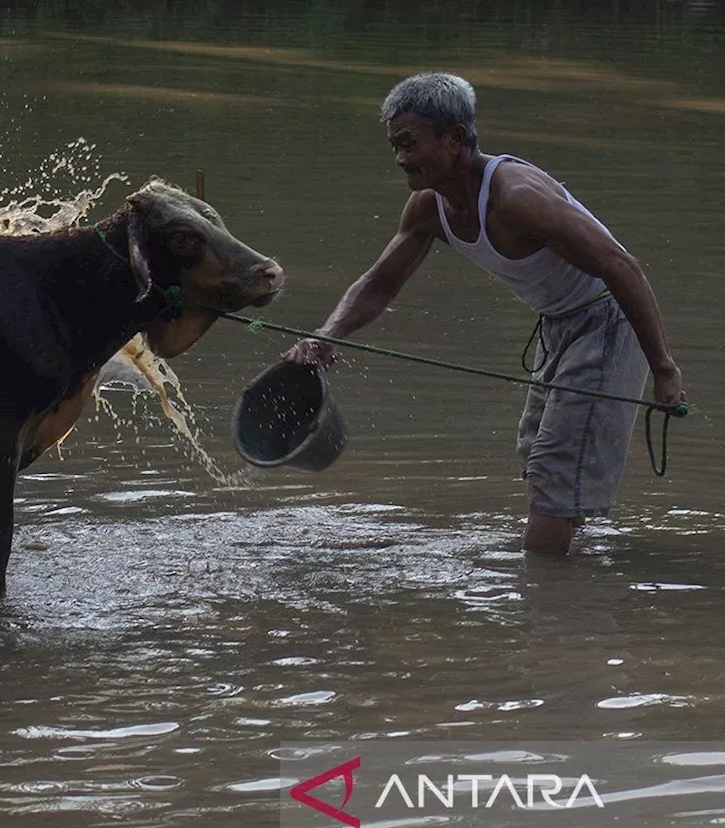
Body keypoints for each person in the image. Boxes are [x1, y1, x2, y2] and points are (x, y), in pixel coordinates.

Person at [284, 71, 684, 555]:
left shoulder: (516, 196)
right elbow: (380, 282)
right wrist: (327, 335)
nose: (400, 158)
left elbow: (622, 266)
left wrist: (663, 367)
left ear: (454, 139)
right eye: (394, 145)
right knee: (538, 452)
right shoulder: (428, 207)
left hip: (608, 321)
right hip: (557, 324)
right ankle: (571, 572)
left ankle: (542, 593)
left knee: (558, 464)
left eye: (410, 143)